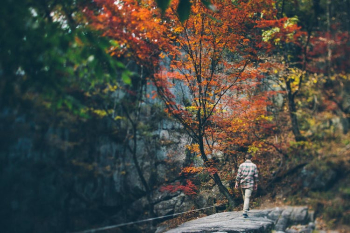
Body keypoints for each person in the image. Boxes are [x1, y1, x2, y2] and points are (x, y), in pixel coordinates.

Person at [234, 153, 259, 218]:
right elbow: (256, 176)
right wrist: (256, 184)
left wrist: (237, 182)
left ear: (245, 158)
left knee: (245, 196)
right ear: (251, 158)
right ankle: (245, 212)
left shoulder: (241, 165)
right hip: (250, 183)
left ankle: (245, 208)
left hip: (242, 183)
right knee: (247, 197)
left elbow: (238, 174)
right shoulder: (254, 165)